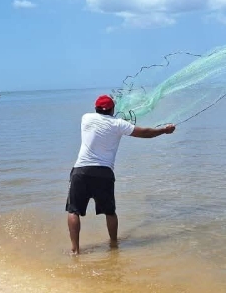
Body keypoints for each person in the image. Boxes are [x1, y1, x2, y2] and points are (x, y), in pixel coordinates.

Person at [66, 94, 175, 254]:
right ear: (112, 109)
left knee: (73, 211)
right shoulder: (118, 124)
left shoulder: (86, 118)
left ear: (95, 108)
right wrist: (164, 130)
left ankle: (75, 250)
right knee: (109, 212)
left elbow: (103, 119)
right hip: (104, 173)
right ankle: (113, 245)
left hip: (81, 171)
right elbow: (145, 133)